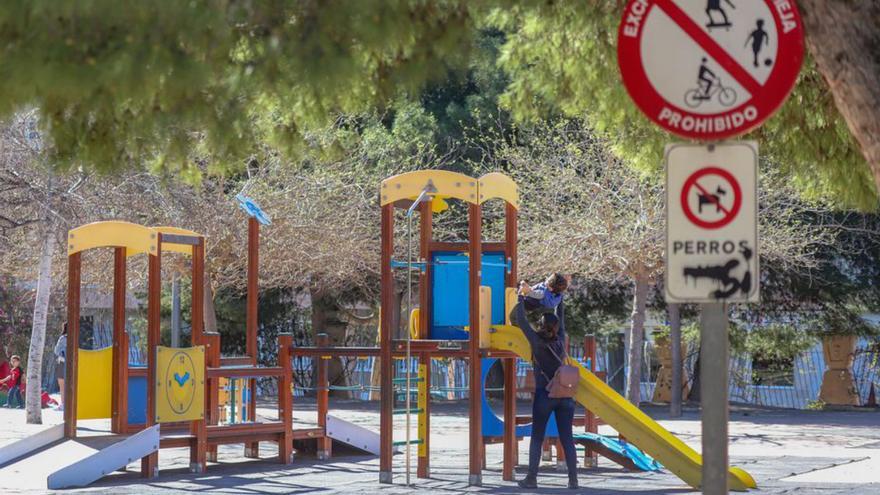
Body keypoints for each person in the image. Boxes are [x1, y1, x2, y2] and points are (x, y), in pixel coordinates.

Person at [513, 297, 578, 489]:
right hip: (565, 396)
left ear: (541, 326)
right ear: (556, 327)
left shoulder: (537, 342)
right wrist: (561, 300)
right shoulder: (560, 339)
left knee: (537, 437)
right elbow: (562, 320)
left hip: (545, 395)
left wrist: (521, 300)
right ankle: (573, 480)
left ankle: (531, 478)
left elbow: (521, 320)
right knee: (567, 438)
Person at [54, 322, 67, 410]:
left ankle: (63, 404)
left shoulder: (63, 338)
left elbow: (56, 351)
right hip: (74, 362)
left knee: (62, 384)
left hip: (62, 362)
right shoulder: (77, 338)